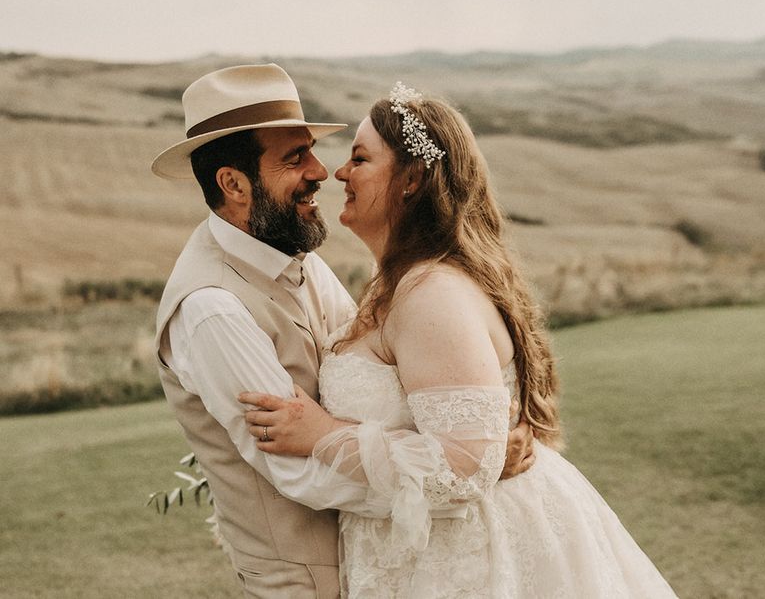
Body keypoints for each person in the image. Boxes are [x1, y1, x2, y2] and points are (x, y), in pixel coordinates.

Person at [238, 83, 679, 597]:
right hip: (419, 551)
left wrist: (323, 435)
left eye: (359, 159)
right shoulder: (398, 283)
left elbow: (464, 467)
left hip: (470, 560)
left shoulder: (432, 293)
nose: (339, 172)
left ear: (413, 179)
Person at [151, 65, 536, 598]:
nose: (320, 171)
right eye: (294, 158)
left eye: (312, 149)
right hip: (307, 580)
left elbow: (388, 378)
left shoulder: (302, 263)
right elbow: (298, 472)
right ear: (233, 184)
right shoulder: (212, 310)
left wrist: (472, 449)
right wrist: (472, 477)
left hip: (396, 563)